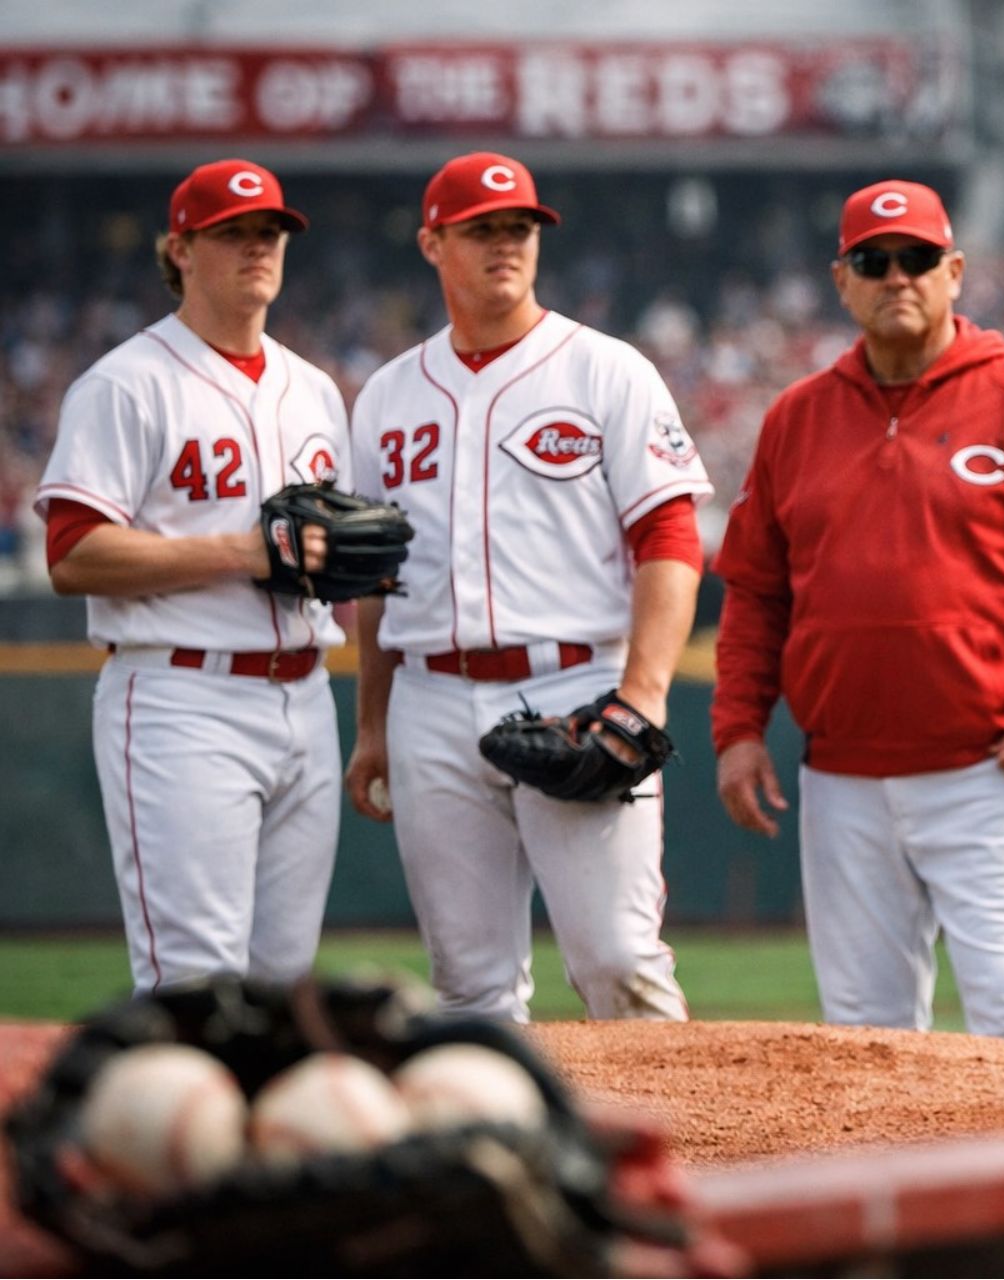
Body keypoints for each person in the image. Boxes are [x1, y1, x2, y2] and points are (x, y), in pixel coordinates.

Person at [711, 180, 1004, 1047]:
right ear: (842, 282)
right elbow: (757, 592)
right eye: (873, 262)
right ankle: (884, 1193)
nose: (896, 277)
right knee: (864, 1037)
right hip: (841, 779)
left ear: (954, 272)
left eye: (915, 259)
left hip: (992, 773)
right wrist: (736, 728)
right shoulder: (796, 419)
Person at [343, 152, 710, 1022]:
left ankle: (686, 1159)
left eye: (520, 228)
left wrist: (644, 695)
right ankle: (503, 1152)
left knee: (620, 961)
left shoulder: (605, 369)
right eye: (482, 229)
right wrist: (370, 724)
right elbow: (373, 578)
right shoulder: (388, 396)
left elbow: (669, 537)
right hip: (429, 696)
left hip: (575, 683)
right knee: (470, 987)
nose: (506, 243)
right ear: (434, 243)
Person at [35, 159, 350, 991]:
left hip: (307, 696)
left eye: (271, 233)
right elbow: (71, 553)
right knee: (195, 981)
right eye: (233, 233)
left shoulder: (314, 390)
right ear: (178, 249)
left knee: (282, 981)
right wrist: (239, 552)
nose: (258, 248)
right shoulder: (124, 384)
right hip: (182, 697)